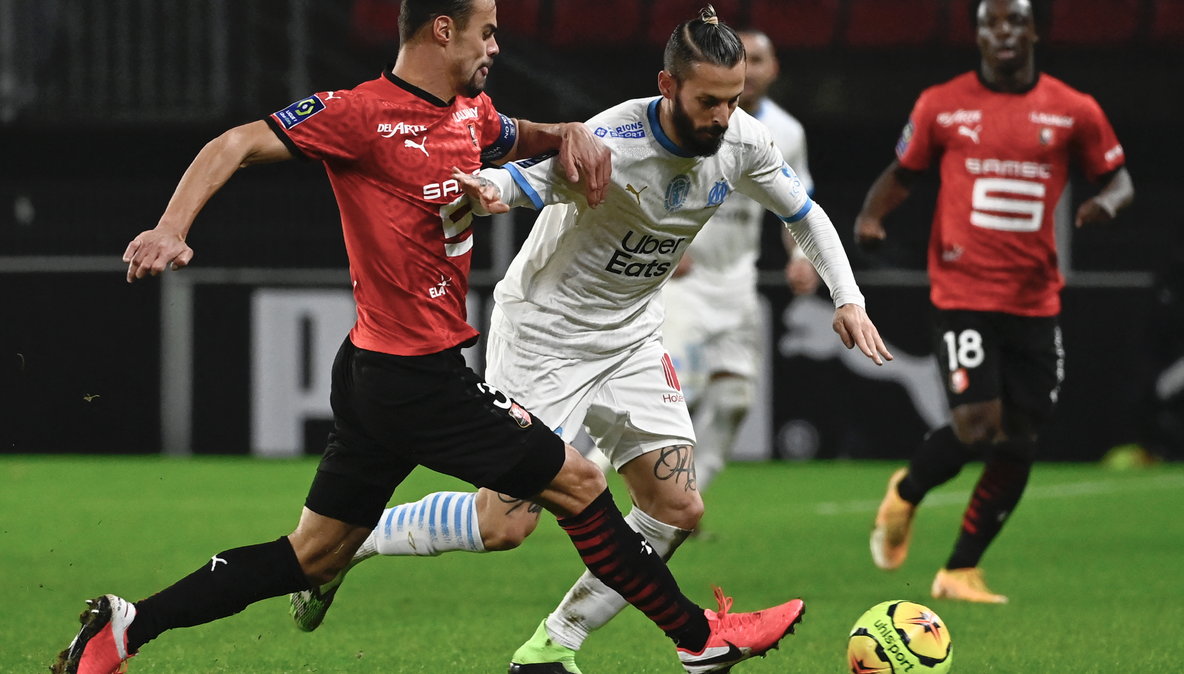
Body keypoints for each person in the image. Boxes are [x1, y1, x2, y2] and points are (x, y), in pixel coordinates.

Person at [49, 2, 808, 672]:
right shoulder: (362, 115)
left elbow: (525, 138)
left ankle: (127, 626)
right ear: (442, 30)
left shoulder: (468, 115)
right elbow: (238, 143)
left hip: (380, 372)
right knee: (578, 482)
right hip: (417, 379)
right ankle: (698, 638)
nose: (496, 48)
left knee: (311, 555)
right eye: (487, 32)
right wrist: (170, 226)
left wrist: (570, 133)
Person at [286, 7, 891, 674]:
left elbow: (806, 216)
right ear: (668, 86)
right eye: (708, 101)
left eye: (733, 100)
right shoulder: (614, 138)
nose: (723, 117)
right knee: (505, 525)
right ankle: (353, 542)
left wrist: (849, 298)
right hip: (545, 334)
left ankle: (555, 644)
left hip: (629, 335)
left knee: (678, 506)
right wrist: (485, 186)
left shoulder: (745, 142)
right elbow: (525, 182)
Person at [855, 0, 1133, 603]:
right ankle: (906, 493)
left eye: (1014, 21)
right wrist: (873, 215)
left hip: (1035, 298)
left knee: (1021, 437)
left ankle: (960, 570)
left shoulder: (1073, 108)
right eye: (990, 23)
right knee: (978, 425)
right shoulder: (942, 103)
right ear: (978, 35)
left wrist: (1106, 203)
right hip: (963, 293)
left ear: (1034, 30)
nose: (1002, 32)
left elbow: (1119, 177)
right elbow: (904, 169)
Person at [658, 27, 818, 493]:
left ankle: (684, 503)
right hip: (682, 282)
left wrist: (801, 257)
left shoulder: (787, 133)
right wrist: (667, 245)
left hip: (737, 282)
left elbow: (795, 205)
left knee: (734, 400)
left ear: (771, 69)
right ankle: (596, 486)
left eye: (759, 60)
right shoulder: (686, 117)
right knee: (670, 398)